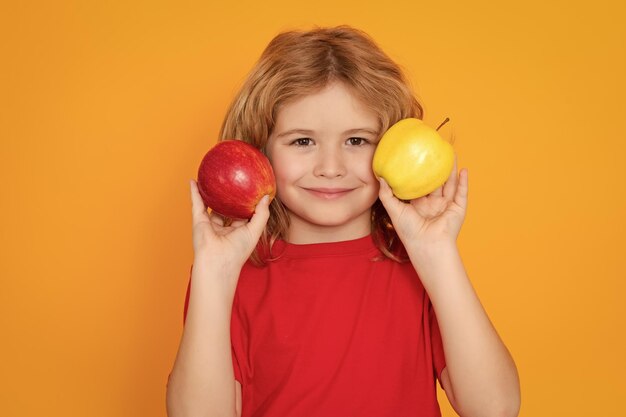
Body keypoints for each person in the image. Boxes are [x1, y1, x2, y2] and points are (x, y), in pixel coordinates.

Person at [166, 26, 520, 417]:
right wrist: (213, 275)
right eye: (302, 141)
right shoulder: (231, 272)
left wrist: (438, 255)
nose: (331, 168)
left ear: (390, 145)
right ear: (259, 149)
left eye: (356, 141)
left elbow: (496, 409)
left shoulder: (422, 265)